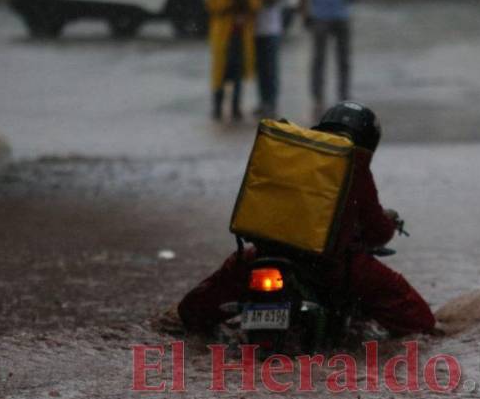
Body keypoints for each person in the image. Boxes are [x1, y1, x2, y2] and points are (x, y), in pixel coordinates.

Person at [178, 102, 436, 337]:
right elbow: (375, 231)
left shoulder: (291, 156)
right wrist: (389, 224)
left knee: (192, 311)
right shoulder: (355, 165)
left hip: (266, 253)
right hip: (332, 268)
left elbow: (189, 313)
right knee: (421, 322)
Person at [298, 0, 354, 119]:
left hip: (341, 14)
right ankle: (318, 98)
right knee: (319, 60)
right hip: (320, 16)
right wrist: (305, 13)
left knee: (343, 59)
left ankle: (344, 97)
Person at [207, 0, 262, 121]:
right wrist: (231, 2)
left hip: (241, 36)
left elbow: (256, 3)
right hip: (223, 36)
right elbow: (212, 4)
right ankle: (217, 107)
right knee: (220, 74)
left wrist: (244, 2)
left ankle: (235, 108)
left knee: (238, 73)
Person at [252, 0, 286, 119]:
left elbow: (274, 0)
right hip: (256, 32)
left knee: (271, 70)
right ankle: (263, 101)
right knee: (260, 70)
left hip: (271, 32)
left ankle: (271, 103)